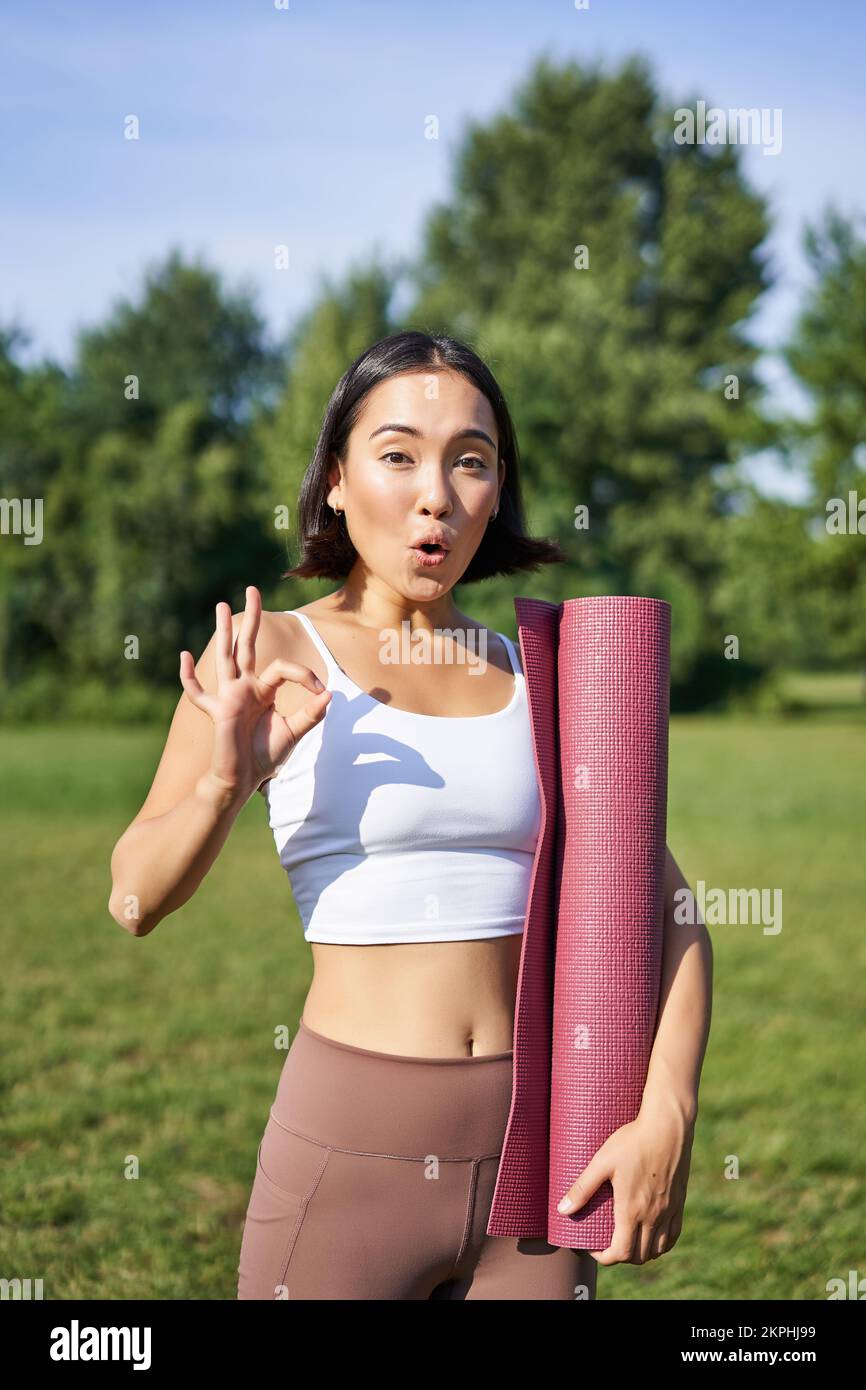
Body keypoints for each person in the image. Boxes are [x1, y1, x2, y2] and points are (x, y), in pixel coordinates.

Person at [108, 330, 711, 1300]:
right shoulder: (270, 649)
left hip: (540, 1151)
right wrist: (224, 783)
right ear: (336, 480)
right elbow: (133, 897)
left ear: (495, 488)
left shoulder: (543, 666)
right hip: (350, 1149)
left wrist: (667, 1111)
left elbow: (669, 910)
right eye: (396, 454)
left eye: (469, 461)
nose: (436, 492)